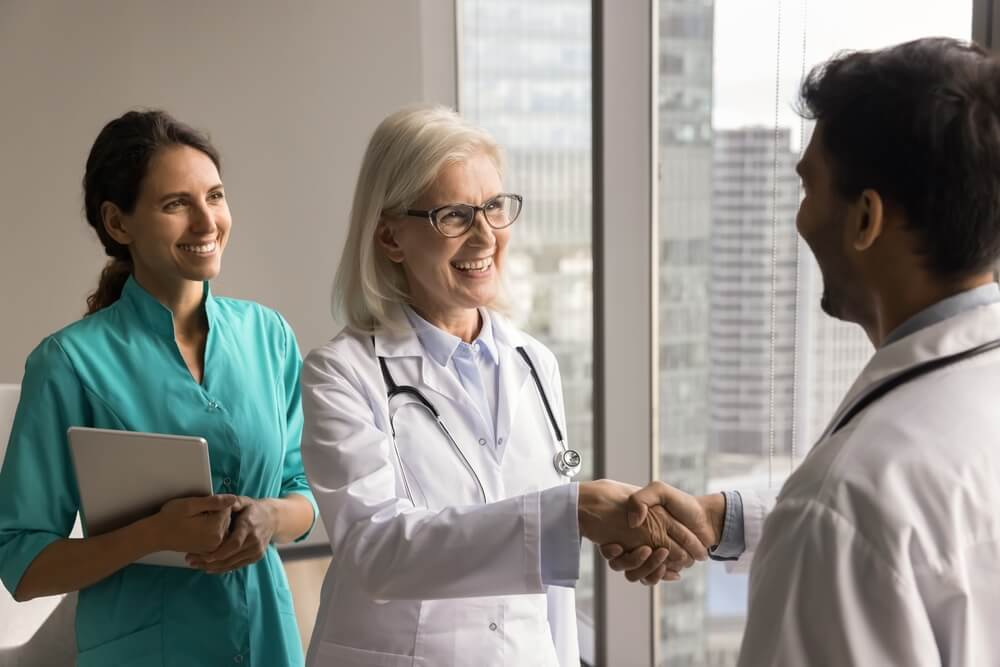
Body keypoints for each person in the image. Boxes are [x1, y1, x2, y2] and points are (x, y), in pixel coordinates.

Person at [605, 37, 1000, 665]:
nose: (801, 218)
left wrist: (805, 518)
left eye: (808, 187)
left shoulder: (845, 503)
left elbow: (854, 525)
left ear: (866, 218)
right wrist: (721, 520)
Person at [299, 105, 704, 667]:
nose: (486, 235)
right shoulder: (341, 374)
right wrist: (571, 512)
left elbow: (550, 586)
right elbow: (377, 551)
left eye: (493, 207)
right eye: (454, 216)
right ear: (390, 237)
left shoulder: (535, 363)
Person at [0, 110, 318, 666]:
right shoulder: (68, 364)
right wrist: (151, 536)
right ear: (118, 224)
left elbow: (304, 491)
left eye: (215, 197)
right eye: (176, 204)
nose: (206, 222)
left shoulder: (269, 336)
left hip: (267, 644)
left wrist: (270, 518)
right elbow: (22, 566)